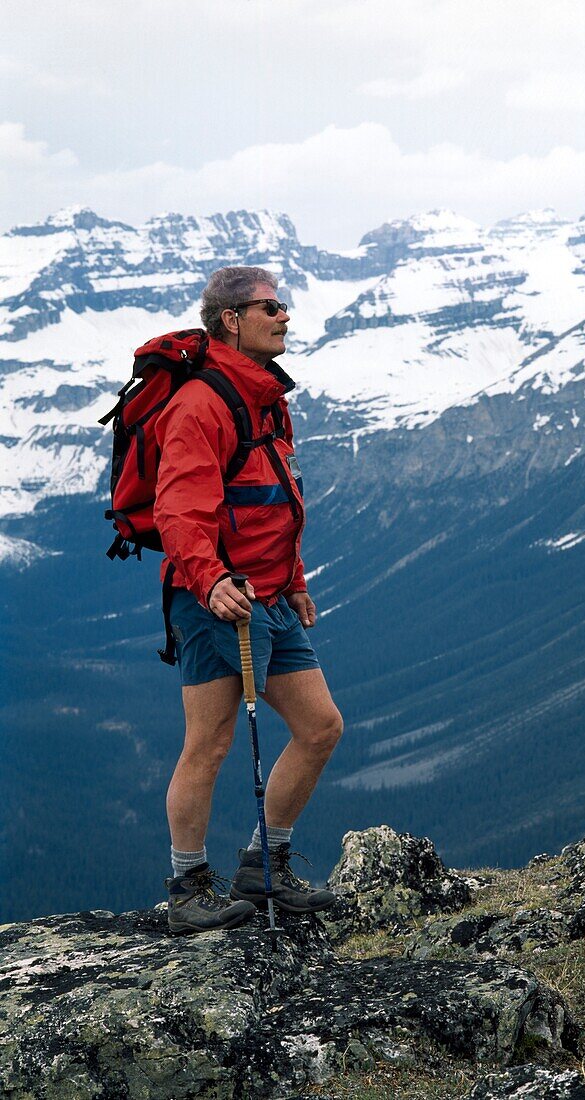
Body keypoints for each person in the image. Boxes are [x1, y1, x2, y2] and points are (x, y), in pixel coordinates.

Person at [155, 265, 343, 934]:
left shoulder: (266, 397)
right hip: (218, 601)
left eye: (283, 304)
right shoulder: (201, 404)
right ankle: (187, 886)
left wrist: (292, 578)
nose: (285, 315)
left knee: (321, 727)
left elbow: (273, 498)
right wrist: (208, 581)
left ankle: (267, 867)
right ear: (231, 320)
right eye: (270, 306)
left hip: (268, 594)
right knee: (210, 742)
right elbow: (178, 509)